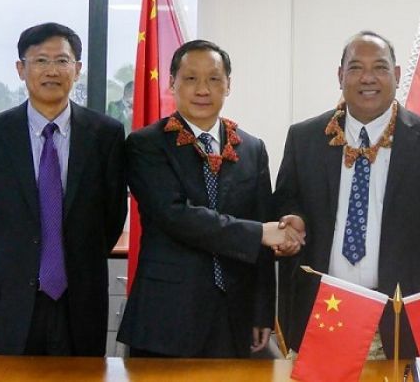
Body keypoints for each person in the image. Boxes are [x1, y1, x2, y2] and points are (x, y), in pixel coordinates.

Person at [274, 31, 420, 358]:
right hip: (325, 311)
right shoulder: (304, 139)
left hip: (402, 320)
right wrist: (293, 218)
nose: (368, 78)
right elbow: (285, 201)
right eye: (355, 68)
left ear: (396, 75)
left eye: (380, 68)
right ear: (340, 76)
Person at [117, 40, 304, 358]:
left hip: (234, 315)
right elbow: (175, 216)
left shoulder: (251, 148)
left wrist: (262, 310)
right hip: (166, 315)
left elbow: (263, 223)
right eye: (190, 78)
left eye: (214, 78)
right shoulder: (145, 144)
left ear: (228, 85)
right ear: (172, 83)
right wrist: (260, 233)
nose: (202, 89)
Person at [0, 22, 127, 355]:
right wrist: (10, 265)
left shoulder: (105, 134)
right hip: (7, 297)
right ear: (21, 69)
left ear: (77, 70)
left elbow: (112, 214)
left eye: (62, 61)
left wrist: (72, 261)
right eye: (40, 60)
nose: (52, 70)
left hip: (79, 297)